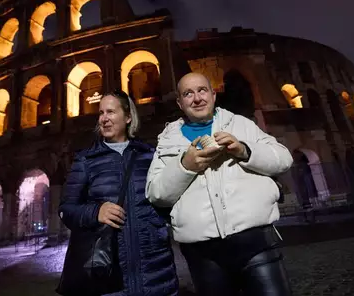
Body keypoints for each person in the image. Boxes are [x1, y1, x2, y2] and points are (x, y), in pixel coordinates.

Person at [146, 72, 294, 296]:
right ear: (180, 102)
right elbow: (156, 193)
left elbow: (283, 159)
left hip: (256, 243)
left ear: (213, 95)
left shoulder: (241, 124)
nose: (197, 98)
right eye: (188, 93)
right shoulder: (167, 139)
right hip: (203, 255)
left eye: (202, 90)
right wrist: (185, 166)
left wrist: (243, 150)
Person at [59, 90, 179, 296]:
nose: (104, 118)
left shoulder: (149, 155)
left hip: (156, 268)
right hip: (110, 272)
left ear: (128, 117)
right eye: (101, 113)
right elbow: (66, 209)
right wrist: (96, 212)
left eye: (111, 112)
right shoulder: (86, 160)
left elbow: (166, 198)